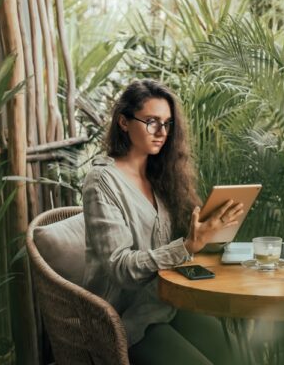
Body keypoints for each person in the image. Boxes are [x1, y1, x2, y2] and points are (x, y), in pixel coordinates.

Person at [82, 79, 243, 364]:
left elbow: (185, 243)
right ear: (124, 122)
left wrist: (212, 234)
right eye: (152, 122)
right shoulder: (102, 182)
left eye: (167, 124)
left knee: (233, 354)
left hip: (163, 303)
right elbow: (121, 268)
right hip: (123, 322)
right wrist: (186, 246)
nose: (162, 132)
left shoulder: (161, 176)